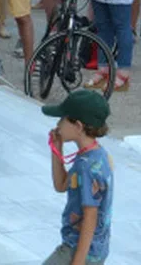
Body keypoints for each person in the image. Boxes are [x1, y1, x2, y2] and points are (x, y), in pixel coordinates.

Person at [41, 90, 113, 265]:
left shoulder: (87, 166)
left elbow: (91, 216)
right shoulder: (95, 155)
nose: (58, 124)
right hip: (93, 249)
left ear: (78, 126)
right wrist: (57, 149)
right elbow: (60, 185)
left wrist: (78, 262)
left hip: (78, 251)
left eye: (63, 119)